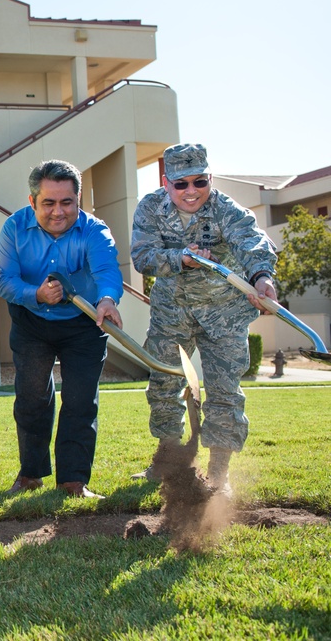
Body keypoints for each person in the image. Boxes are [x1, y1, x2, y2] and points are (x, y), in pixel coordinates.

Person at [130, 143, 277, 495]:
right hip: (172, 312)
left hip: (223, 313)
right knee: (164, 386)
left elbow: (253, 244)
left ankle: (219, 474)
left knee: (225, 391)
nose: (191, 191)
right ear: (167, 183)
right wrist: (181, 258)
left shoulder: (227, 209)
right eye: (181, 184)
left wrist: (262, 279)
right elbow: (142, 257)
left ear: (209, 178)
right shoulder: (150, 208)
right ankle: (166, 461)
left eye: (200, 181)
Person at [0, 159, 123, 500]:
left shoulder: (95, 231)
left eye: (67, 202)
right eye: (48, 203)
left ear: (79, 200)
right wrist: (35, 294)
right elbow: (3, 280)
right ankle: (31, 474)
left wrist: (108, 300)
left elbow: (107, 270)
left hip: (85, 323)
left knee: (80, 400)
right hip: (31, 320)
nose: (58, 212)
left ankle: (73, 481)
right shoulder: (14, 228)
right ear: (32, 200)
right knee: (32, 397)